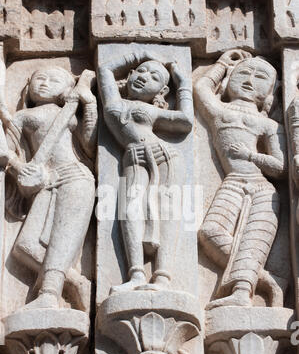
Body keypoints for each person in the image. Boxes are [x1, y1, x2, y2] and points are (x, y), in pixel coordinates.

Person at [194, 49, 286, 309]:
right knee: (210, 232)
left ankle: (242, 292)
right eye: (244, 73)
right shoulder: (220, 113)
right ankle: (267, 279)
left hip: (261, 189)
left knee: (252, 239)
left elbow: (279, 168)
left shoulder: (268, 126)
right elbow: (201, 88)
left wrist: (251, 155)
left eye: (260, 78)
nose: (249, 80)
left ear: (269, 93)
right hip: (233, 182)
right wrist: (223, 64)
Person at [0, 66, 98, 310]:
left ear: (67, 88)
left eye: (53, 80)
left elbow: (90, 146)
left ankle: (49, 293)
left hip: (75, 177)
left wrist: (90, 104)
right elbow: (5, 150)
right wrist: (17, 167)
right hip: (46, 180)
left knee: (62, 240)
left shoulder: (70, 113)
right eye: (39, 78)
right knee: (24, 246)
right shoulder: (23, 116)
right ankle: (75, 281)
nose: (44, 83)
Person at [98, 51, 193, 292]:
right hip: (133, 157)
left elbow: (185, 121)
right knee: (128, 210)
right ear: (129, 75)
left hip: (164, 156)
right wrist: (140, 54)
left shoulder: (152, 110)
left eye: (154, 77)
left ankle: (162, 277)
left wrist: (183, 85)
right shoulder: (113, 101)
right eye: (141, 71)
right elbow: (105, 69)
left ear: (161, 92)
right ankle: (137, 275)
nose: (144, 77)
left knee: (167, 211)